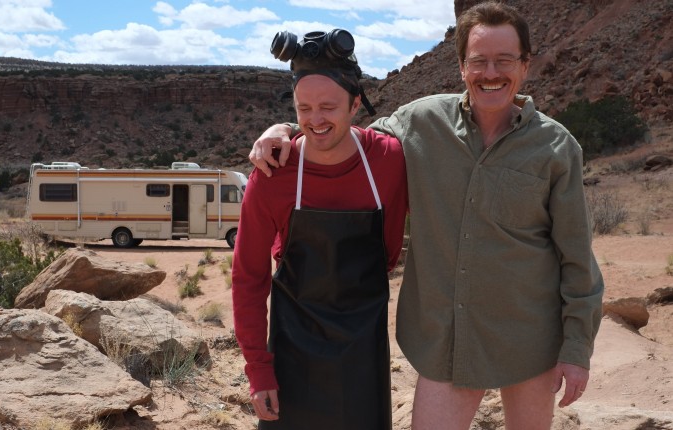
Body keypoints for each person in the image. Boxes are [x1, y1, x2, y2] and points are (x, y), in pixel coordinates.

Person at [248, 2, 604, 429]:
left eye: (505, 60)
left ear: (525, 66)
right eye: (479, 61)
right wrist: (285, 129)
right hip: (447, 345)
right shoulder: (420, 122)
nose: (491, 73)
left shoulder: (557, 147)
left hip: (532, 339)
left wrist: (576, 350)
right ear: (461, 67)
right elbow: (337, 131)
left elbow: (577, 259)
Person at [231, 28, 408, 430]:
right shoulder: (272, 174)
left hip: (365, 354)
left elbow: (391, 250)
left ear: (356, 104)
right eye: (304, 108)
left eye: (328, 107)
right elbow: (248, 278)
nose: (315, 120)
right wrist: (258, 370)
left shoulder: (389, 160)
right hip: (292, 357)